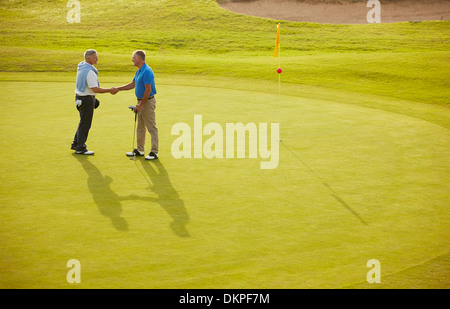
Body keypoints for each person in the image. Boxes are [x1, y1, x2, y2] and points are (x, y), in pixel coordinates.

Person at [114, 50, 158, 160]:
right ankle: (140, 150)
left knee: (151, 127)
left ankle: (154, 152)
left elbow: (148, 90)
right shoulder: (139, 71)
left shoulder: (147, 71)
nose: (132, 60)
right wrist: (118, 89)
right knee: (140, 127)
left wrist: (141, 105)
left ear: (139, 59)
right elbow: (132, 84)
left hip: (147, 101)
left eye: (133, 57)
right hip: (141, 101)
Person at [71, 49, 117, 155]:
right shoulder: (89, 71)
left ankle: (76, 143)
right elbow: (95, 89)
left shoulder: (82, 66)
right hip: (86, 99)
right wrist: (110, 90)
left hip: (80, 98)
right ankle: (80, 148)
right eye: (95, 57)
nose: (97, 58)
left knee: (83, 122)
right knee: (85, 124)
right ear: (89, 58)